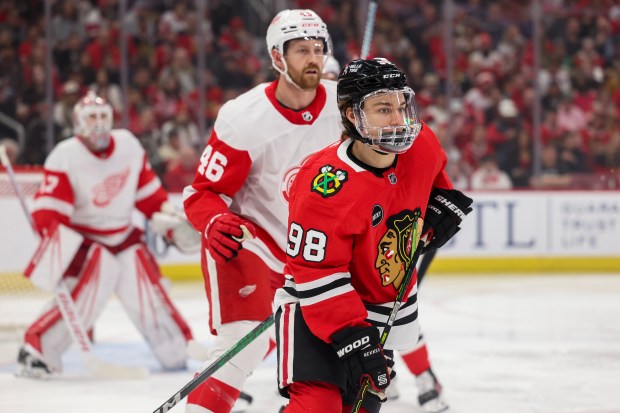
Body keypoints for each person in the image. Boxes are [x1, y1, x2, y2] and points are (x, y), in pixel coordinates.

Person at [273, 58, 473, 413]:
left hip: (381, 310)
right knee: (318, 406)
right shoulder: (324, 185)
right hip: (316, 309)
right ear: (352, 115)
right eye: (383, 109)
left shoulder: (422, 144)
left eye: (401, 106)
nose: (399, 120)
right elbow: (316, 273)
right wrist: (351, 334)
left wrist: (443, 199)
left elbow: (434, 176)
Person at [183, 9, 342, 413]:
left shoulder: (342, 111)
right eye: (301, 50)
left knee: (326, 355)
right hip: (248, 240)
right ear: (277, 57)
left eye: (318, 49)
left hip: (307, 251)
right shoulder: (244, 117)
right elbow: (202, 193)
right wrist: (214, 220)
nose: (313, 59)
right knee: (242, 343)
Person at [16, 91, 193, 378]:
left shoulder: (128, 145)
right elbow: (49, 211)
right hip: (87, 245)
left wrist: (164, 217)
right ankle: (36, 351)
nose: (97, 123)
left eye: (102, 116)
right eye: (91, 117)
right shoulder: (65, 155)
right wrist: (55, 240)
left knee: (147, 293)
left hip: (124, 238)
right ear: (77, 122)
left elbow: (149, 194)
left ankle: (176, 348)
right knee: (85, 296)